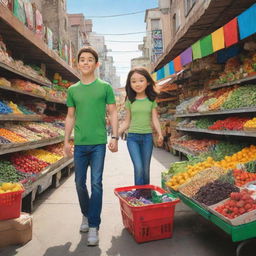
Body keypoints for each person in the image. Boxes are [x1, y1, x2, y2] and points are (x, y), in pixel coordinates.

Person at [64, 46, 119, 246]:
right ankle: (86, 215)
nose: (86, 62)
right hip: (80, 144)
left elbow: (113, 112)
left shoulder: (104, 87)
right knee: (79, 183)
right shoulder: (72, 90)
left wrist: (115, 136)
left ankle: (94, 225)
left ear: (96, 64)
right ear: (77, 64)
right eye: (82, 59)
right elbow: (70, 116)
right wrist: (66, 141)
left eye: (90, 59)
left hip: (98, 144)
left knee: (96, 183)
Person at [118, 67, 163, 186]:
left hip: (147, 138)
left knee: (145, 169)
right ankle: (139, 197)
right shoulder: (130, 101)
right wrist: (114, 135)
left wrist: (160, 134)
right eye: (133, 81)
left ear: (148, 82)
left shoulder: (151, 100)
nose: (137, 84)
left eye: (141, 80)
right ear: (130, 84)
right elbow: (126, 122)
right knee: (138, 168)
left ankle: (146, 197)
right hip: (132, 138)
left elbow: (155, 118)